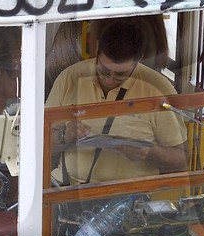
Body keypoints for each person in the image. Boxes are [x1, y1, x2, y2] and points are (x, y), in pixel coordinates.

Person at [46, 19, 187, 185]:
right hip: (68, 189)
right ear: (97, 50)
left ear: (138, 60)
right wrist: (64, 136)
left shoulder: (158, 88)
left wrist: (148, 152)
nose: (109, 81)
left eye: (120, 75)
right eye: (104, 70)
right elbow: (40, 145)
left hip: (129, 198)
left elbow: (182, 160)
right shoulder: (70, 78)